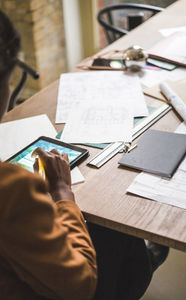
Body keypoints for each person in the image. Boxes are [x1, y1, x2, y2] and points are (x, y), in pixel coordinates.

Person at [0, 10, 169, 300]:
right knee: (111, 224)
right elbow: (79, 286)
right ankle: (140, 259)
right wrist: (63, 192)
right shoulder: (11, 188)